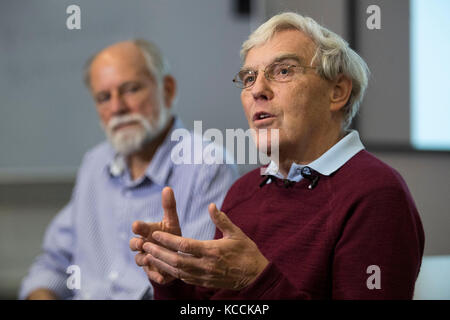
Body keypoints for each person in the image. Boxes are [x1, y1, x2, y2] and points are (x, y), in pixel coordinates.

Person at [130, 12, 425, 299]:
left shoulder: (376, 194)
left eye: (283, 71)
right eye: (248, 77)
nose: (258, 89)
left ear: (337, 92)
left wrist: (256, 281)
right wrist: (173, 280)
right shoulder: (244, 190)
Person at [19, 39, 238, 300]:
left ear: (167, 89)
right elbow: (53, 263)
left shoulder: (206, 165)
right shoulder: (95, 164)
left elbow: (199, 287)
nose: (117, 108)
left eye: (131, 89)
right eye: (103, 98)